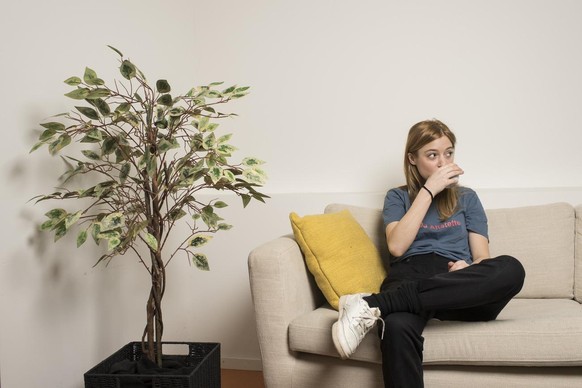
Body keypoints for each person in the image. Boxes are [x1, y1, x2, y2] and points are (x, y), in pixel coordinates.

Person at [331, 119, 526, 388]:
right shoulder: (397, 197)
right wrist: (429, 190)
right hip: (410, 276)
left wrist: (469, 269)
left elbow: (483, 257)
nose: (442, 163)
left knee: (512, 268)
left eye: (448, 153)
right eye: (432, 155)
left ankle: (374, 303)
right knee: (397, 329)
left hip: (457, 284)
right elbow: (397, 247)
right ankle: (388, 303)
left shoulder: (467, 198)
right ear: (412, 158)